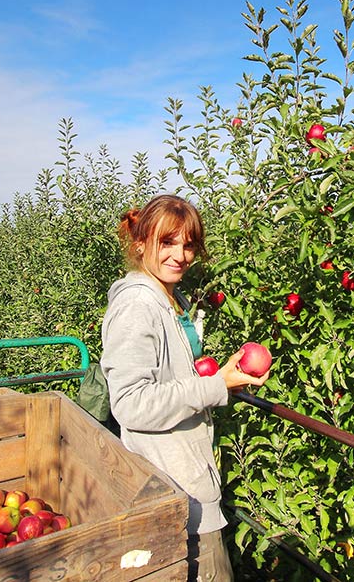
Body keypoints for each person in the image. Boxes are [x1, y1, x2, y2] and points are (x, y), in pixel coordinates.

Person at [100, 194, 269, 582]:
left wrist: (221, 378)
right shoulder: (137, 307)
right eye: (167, 242)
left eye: (189, 245)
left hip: (181, 475)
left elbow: (170, 379)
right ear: (140, 243)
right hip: (174, 486)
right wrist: (213, 387)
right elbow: (131, 403)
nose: (180, 255)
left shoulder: (167, 299)